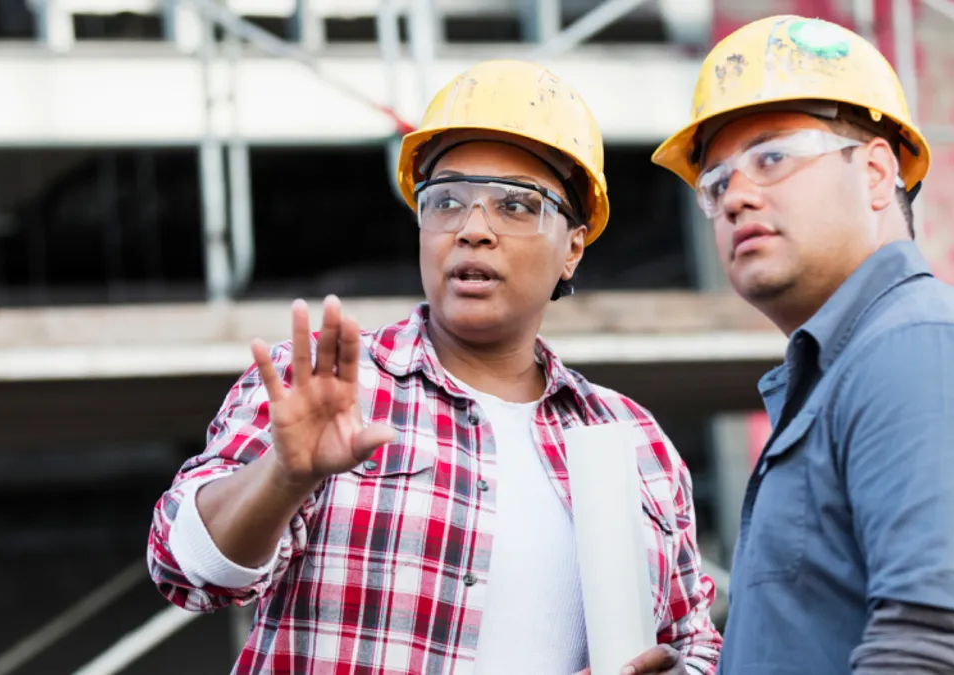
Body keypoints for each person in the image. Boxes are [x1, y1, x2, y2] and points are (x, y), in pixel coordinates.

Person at [147, 59, 722, 675]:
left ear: (573, 248)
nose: (473, 230)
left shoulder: (635, 443)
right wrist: (282, 476)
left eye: (517, 206)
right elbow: (185, 572)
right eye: (446, 200)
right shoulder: (323, 383)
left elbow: (696, 646)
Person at [652, 14, 954, 675]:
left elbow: (934, 650)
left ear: (875, 171)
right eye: (716, 184)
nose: (738, 195)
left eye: (772, 157)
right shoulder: (848, 372)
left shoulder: (924, 352)